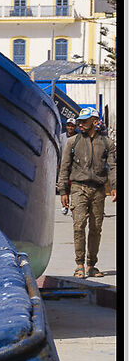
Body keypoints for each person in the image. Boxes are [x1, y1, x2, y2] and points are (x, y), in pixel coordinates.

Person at [58, 112, 118, 279]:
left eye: (84, 121)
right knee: (79, 226)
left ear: (95, 122)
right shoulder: (72, 142)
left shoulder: (107, 143)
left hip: (98, 190)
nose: (80, 124)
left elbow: (113, 167)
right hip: (78, 188)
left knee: (96, 228)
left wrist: (115, 187)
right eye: (79, 122)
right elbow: (64, 168)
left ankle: (91, 265)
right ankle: (79, 265)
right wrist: (63, 191)